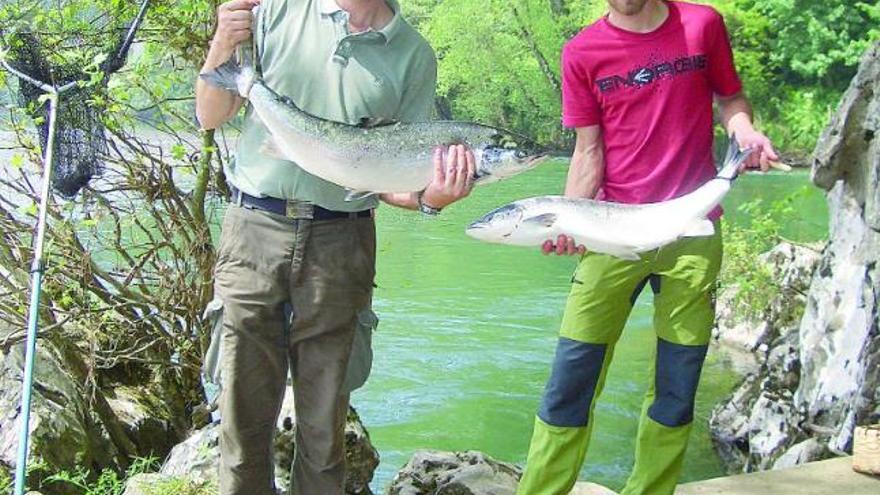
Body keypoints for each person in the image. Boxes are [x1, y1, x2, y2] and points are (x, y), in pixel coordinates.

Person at [194, 0, 474, 494]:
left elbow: (394, 182)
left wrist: (433, 197)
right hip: (254, 227)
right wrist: (222, 43)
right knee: (241, 418)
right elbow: (210, 115)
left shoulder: (413, 54)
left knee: (323, 433)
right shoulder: (275, 11)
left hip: (343, 242)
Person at [517, 1, 777, 494]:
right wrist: (568, 220)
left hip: (693, 229)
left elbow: (732, 100)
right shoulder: (582, 52)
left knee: (677, 385)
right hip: (613, 232)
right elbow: (588, 151)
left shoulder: (702, 25)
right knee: (571, 376)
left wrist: (744, 133)